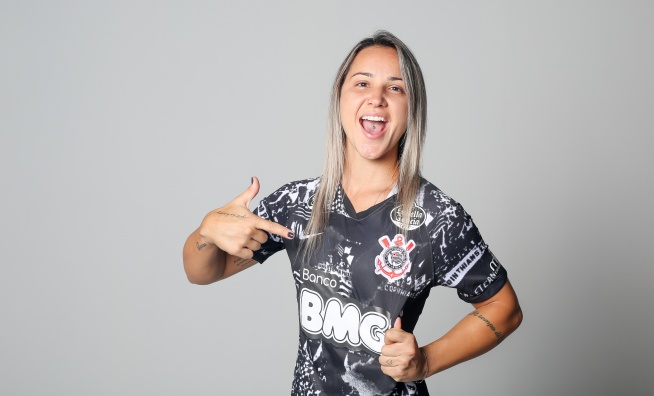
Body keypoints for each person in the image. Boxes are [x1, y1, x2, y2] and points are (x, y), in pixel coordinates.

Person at [183, 30, 522, 396]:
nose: (376, 98)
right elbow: (204, 271)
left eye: (395, 88)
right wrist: (207, 234)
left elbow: (504, 307)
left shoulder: (438, 217)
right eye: (362, 83)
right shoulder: (299, 203)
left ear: (412, 108)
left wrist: (426, 361)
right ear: (340, 99)